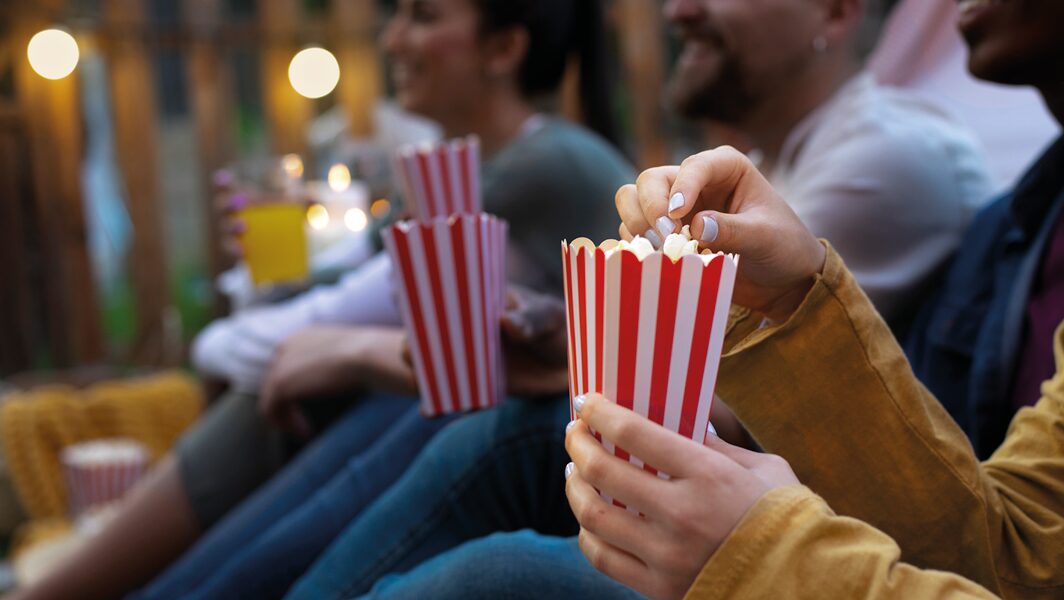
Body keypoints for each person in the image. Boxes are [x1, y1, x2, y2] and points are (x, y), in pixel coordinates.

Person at [10, 0, 632, 598]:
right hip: (515, 416)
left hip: (562, 448)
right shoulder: (474, 169)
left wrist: (312, 345)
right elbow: (337, 301)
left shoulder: (542, 165)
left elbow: (341, 327)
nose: (391, 38)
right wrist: (275, 288)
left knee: (347, 400)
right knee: (324, 390)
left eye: (423, 15)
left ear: (505, 47)